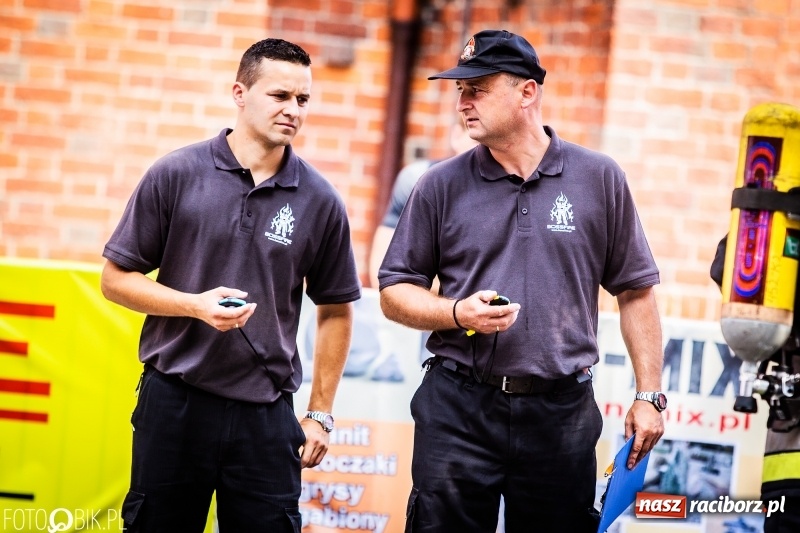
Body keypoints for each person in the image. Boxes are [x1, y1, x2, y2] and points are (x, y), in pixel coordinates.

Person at [378, 29, 665, 532]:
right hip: (457, 406)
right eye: (459, 90)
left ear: (527, 92)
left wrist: (649, 394)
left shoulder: (599, 178)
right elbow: (394, 290)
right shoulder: (438, 185)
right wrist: (454, 312)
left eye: (477, 89)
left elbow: (636, 290)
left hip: (562, 412)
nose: (463, 103)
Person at [100, 38, 361, 533]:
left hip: (265, 416)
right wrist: (193, 305)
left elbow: (336, 310)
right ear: (239, 93)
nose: (292, 110)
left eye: (302, 100)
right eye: (279, 95)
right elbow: (115, 281)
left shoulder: (321, 200)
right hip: (175, 402)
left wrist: (320, 414)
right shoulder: (176, 173)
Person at [369, 119, 478, 289]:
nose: (483, 152)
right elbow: (383, 273)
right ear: (456, 136)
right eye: (476, 141)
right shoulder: (416, 178)